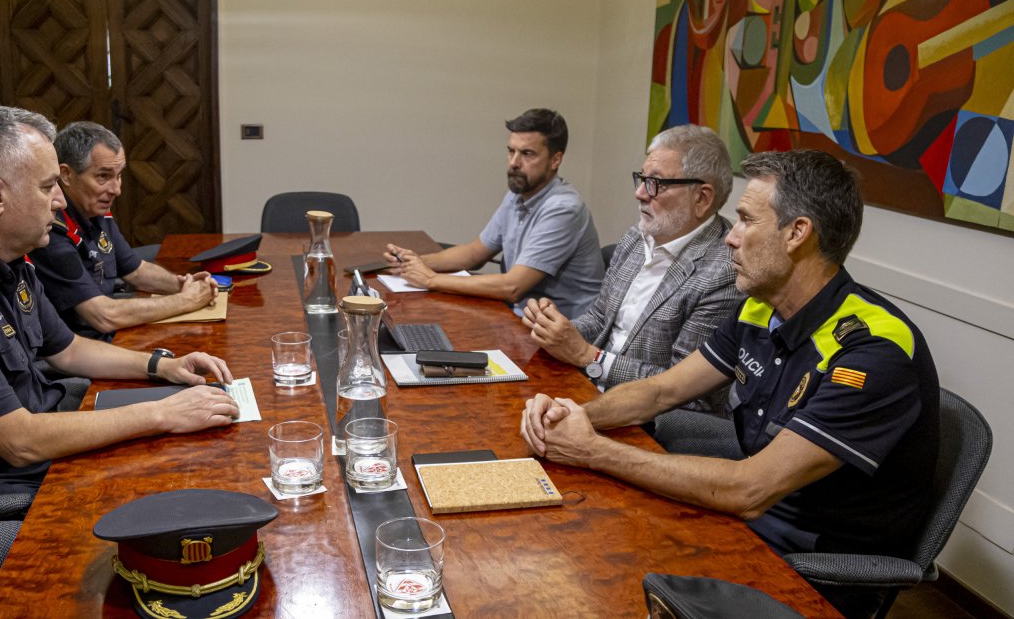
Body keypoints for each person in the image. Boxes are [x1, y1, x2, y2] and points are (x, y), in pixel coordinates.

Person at [520, 149, 939, 617]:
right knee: (580, 541)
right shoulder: (762, 307)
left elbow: (749, 489)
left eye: (744, 221)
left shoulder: (871, 352)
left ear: (797, 233)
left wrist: (593, 450)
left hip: (810, 566)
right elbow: (662, 391)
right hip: (751, 523)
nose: (730, 239)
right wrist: (575, 415)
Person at [0, 107, 240, 500]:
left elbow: (68, 350)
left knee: (203, 446)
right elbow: (18, 441)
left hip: (37, 437)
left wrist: (163, 366)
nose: (59, 201)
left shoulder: (4, 254)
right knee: (181, 477)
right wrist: (163, 413)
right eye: (47, 186)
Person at [521, 125, 740, 413]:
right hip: (587, 388)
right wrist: (557, 331)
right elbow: (600, 319)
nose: (639, 194)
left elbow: (688, 393)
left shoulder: (725, 273)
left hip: (648, 420)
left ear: (702, 198)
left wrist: (589, 357)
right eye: (641, 179)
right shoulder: (637, 238)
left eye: (656, 183)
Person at [384, 108, 604, 319]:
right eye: (511, 151)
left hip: (562, 333)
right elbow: (474, 253)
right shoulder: (518, 194)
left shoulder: (563, 209)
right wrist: (414, 263)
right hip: (520, 316)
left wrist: (430, 279)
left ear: (555, 160)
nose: (514, 163)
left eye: (527, 154)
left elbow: (512, 287)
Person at [28, 121, 218, 341]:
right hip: (83, 353)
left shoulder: (96, 210)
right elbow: (102, 316)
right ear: (66, 175)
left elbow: (136, 271)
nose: (116, 190)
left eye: (119, 176)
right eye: (103, 176)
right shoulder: (51, 229)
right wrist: (187, 300)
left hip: (112, 337)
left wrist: (185, 284)